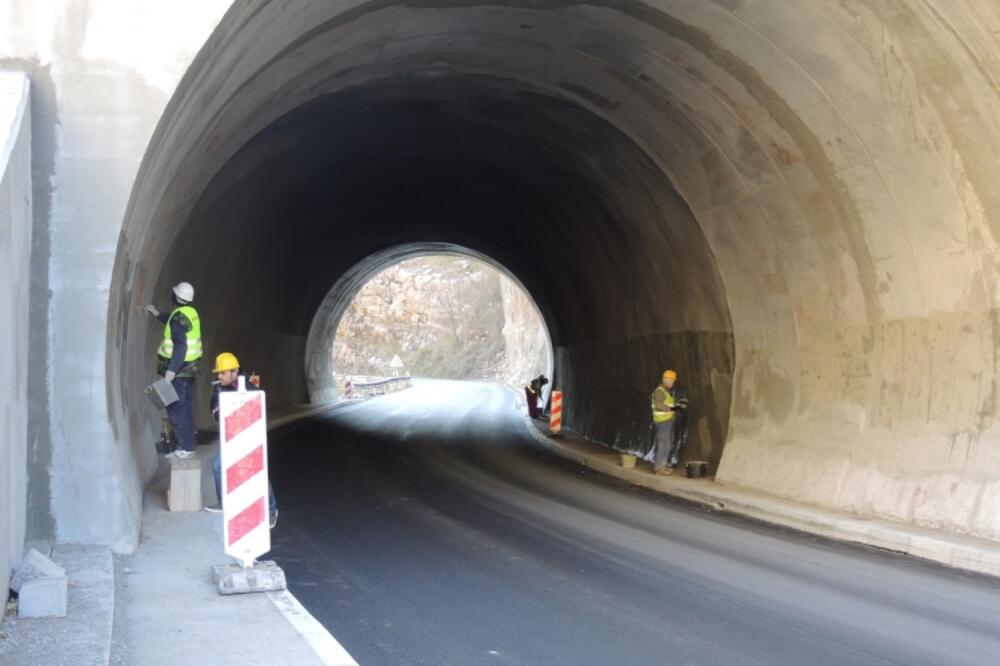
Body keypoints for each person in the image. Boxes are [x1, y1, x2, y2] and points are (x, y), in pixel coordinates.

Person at [204, 352, 278, 529]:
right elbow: (219, 416)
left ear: (234, 372)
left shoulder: (250, 389)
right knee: (218, 466)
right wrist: (217, 398)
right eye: (218, 374)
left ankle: (271, 510)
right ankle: (224, 503)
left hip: (249, 437)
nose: (219, 376)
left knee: (257, 472)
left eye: (223, 373)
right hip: (231, 437)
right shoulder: (221, 389)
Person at [145, 282, 202, 459]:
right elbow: (173, 320)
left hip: (178, 372)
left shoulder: (178, 318)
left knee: (176, 408)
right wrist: (157, 314)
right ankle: (188, 445)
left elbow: (180, 346)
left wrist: (171, 371)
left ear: (176, 297)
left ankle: (184, 447)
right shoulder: (189, 313)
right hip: (189, 369)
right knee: (185, 407)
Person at [650, 369, 688, 475]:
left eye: (672, 381)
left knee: (667, 444)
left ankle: (663, 465)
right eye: (671, 381)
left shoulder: (666, 392)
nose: (672, 383)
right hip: (662, 422)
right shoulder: (659, 391)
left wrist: (680, 405)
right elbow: (659, 405)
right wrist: (674, 409)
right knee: (663, 444)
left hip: (667, 422)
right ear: (666, 380)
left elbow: (670, 404)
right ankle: (658, 468)